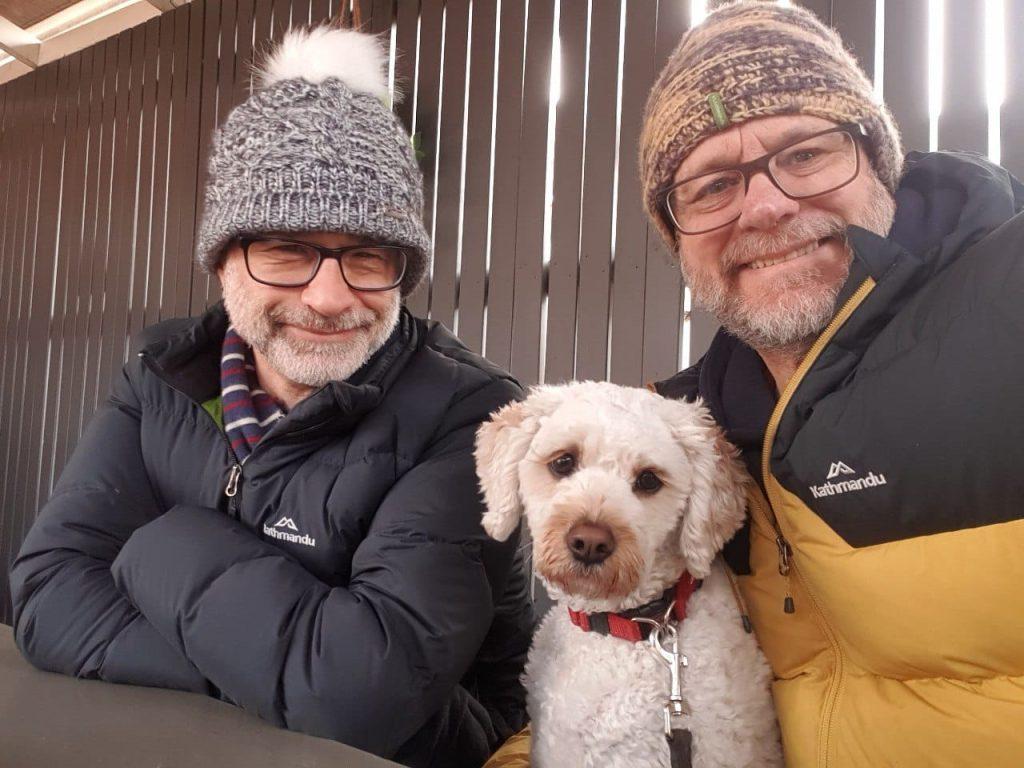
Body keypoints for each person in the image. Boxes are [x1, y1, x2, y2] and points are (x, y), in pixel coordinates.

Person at [10, 25, 533, 768]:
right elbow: (46, 593)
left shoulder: (465, 416)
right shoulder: (160, 380)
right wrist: (276, 666)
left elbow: (361, 697)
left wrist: (156, 545)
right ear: (224, 259)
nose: (328, 296)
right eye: (287, 250)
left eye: (366, 256)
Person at [637, 2, 1024, 766]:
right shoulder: (676, 434)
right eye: (712, 186)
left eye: (806, 153)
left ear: (879, 161)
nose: (768, 205)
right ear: (676, 236)